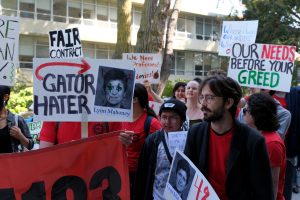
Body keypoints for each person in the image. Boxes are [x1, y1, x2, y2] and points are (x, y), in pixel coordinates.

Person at [184, 76, 274, 200]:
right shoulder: (195, 133)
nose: (203, 104)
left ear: (228, 103)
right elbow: (187, 177)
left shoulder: (253, 141)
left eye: (209, 98)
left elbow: (263, 192)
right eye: (202, 97)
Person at [133, 99, 187, 200]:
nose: (167, 122)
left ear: (182, 120)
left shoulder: (190, 139)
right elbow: (142, 172)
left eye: (173, 118)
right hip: (156, 195)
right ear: (159, 118)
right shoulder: (152, 140)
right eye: (164, 117)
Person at [118, 83, 162, 198]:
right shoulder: (119, 119)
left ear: (135, 99)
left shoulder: (152, 123)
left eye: (124, 95)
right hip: (120, 172)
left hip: (139, 175)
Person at [244, 93, 286, 200]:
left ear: (257, 114)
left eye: (246, 110)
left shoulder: (272, 143)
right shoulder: (258, 136)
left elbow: (272, 184)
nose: (243, 113)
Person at [0, 85, 34, 153]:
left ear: (5, 97)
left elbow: (30, 145)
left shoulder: (17, 120)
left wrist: (20, 136)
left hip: (11, 162)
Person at [39, 121, 122, 147]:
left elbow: (118, 155)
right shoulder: (54, 115)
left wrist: (124, 142)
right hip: (65, 181)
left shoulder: (110, 113)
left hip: (100, 179)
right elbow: (44, 155)